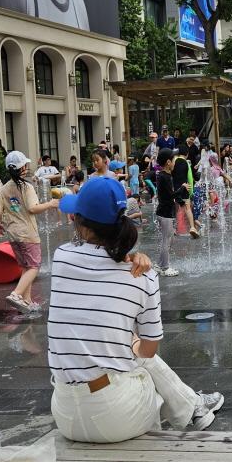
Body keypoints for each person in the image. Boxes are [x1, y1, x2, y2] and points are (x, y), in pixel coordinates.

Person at [47, 177, 223, 442]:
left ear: (80, 223)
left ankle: (194, 406)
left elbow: (98, 263)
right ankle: (192, 408)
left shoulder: (60, 257)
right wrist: (133, 258)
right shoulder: (143, 277)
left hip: (65, 415)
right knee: (138, 353)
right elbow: (148, 351)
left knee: (128, 348)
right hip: (117, 418)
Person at [0, 151, 60, 312]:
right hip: (28, 233)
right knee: (34, 267)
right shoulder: (26, 187)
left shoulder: (3, 189)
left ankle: (27, 301)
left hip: (13, 234)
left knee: (25, 267)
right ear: (22, 167)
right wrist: (51, 204)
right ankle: (16, 294)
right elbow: (33, 208)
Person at [153, 149, 180, 277]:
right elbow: (171, 195)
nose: (175, 162)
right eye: (174, 160)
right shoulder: (164, 176)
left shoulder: (165, 175)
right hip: (165, 213)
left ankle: (159, 264)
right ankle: (165, 267)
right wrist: (183, 188)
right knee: (166, 240)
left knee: (168, 239)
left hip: (165, 212)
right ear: (168, 162)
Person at [170, 150, 199, 238]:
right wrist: (191, 192)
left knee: (175, 208)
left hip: (174, 189)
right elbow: (189, 177)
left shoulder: (172, 161)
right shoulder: (186, 162)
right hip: (185, 188)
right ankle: (192, 228)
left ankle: (173, 229)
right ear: (186, 154)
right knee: (187, 208)